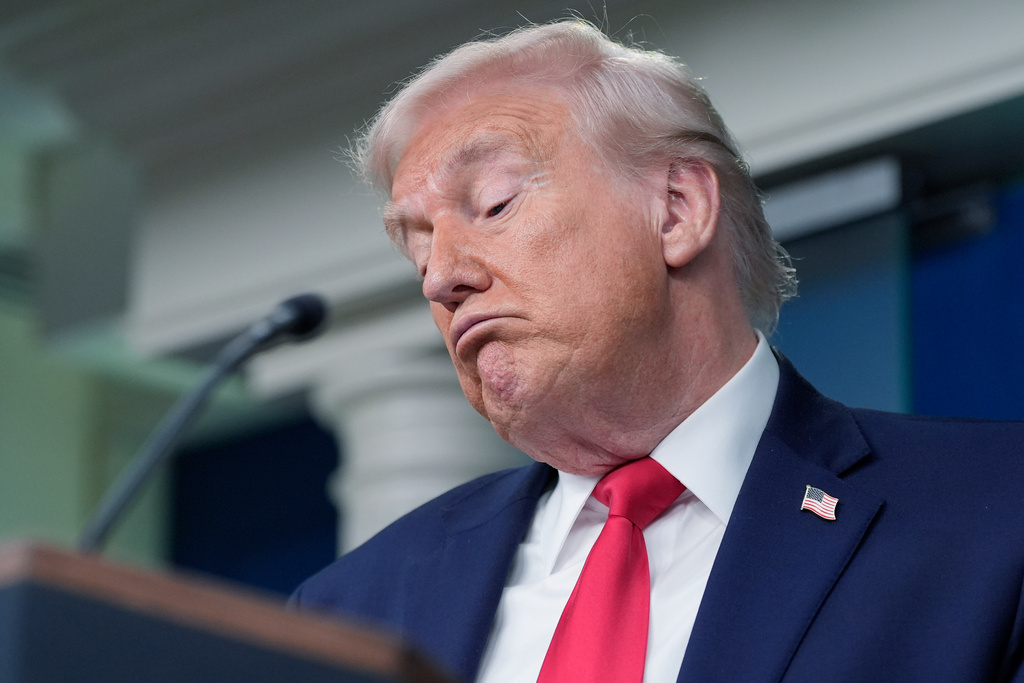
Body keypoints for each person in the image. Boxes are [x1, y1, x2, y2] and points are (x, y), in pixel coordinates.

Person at [292, 20, 1024, 682]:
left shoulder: (996, 509)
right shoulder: (344, 612)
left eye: (494, 204)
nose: (443, 275)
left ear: (677, 211)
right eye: (418, 250)